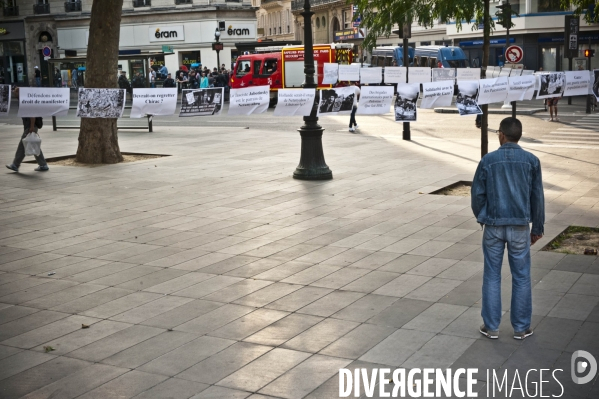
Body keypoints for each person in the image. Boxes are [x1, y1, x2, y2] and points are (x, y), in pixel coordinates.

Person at [471, 117, 544, 341]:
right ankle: (521, 328)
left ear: (502, 134)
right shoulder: (532, 161)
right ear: (518, 135)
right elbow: (537, 198)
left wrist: (483, 217)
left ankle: (491, 327)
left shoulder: (488, 160)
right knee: (521, 277)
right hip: (520, 227)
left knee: (492, 276)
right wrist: (537, 228)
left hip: (493, 226)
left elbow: (477, 195)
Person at [6, 87, 49, 172]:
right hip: (29, 127)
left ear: (19, 93)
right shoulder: (24, 100)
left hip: (30, 127)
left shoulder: (26, 101)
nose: (14, 94)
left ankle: (15, 164)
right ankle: (43, 164)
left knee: (22, 145)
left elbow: (32, 114)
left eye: (15, 92)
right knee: (33, 144)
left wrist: (32, 127)